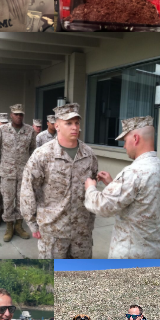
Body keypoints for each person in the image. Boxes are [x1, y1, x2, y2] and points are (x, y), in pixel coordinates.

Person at [84, 116, 160, 259]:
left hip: (131, 253)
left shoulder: (134, 172)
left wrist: (90, 188)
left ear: (135, 138)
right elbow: (140, 201)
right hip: (154, 249)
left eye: (125, 141)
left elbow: (103, 206)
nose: (124, 146)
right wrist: (113, 184)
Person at [20, 103, 98, 259]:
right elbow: (28, 189)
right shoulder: (43, 155)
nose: (74, 127)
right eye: (68, 123)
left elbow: (92, 188)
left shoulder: (89, 154)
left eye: (76, 123)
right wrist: (32, 222)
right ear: (57, 125)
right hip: (53, 231)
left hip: (81, 232)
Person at [0, 104, 36, 243]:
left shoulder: (30, 131)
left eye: (21, 114)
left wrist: (33, 170)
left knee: (22, 201)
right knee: (8, 200)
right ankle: (9, 227)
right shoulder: (2, 130)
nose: (19, 116)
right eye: (16, 114)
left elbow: (34, 151)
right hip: (6, 172)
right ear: (11, 115)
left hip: (24, 173)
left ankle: (19, 226)